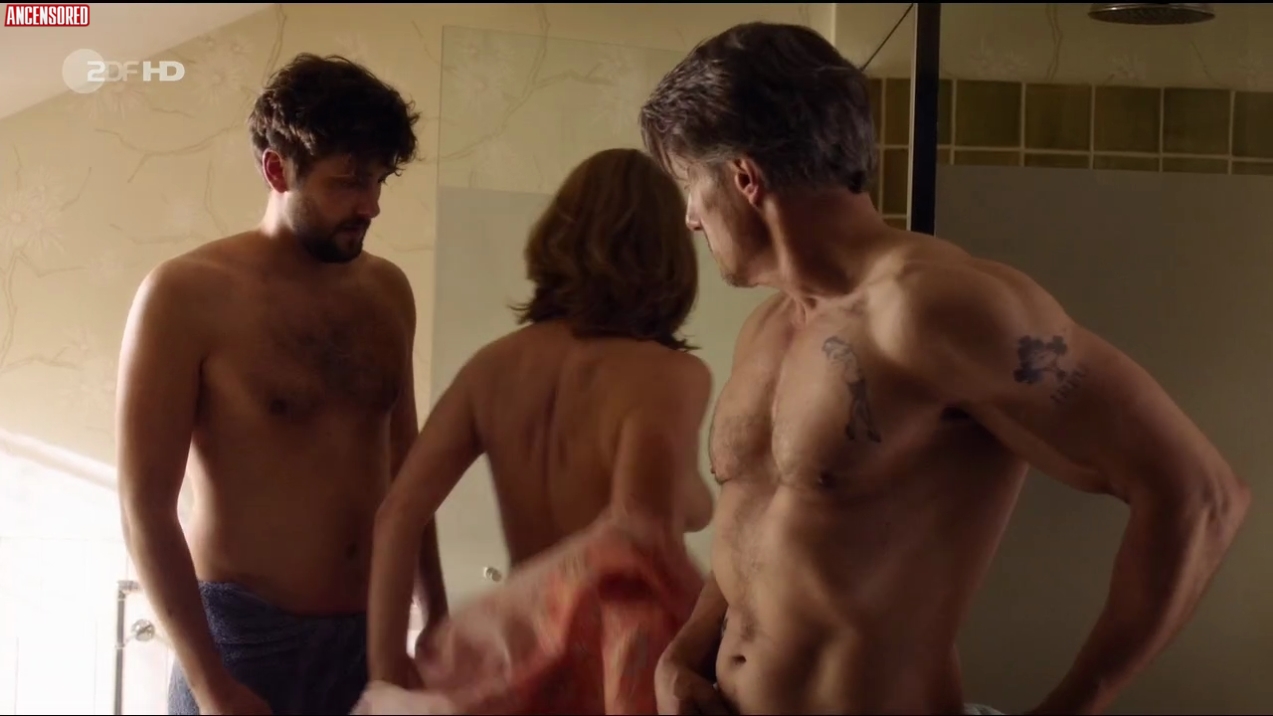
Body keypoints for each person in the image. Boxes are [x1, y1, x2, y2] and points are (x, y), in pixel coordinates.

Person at [638, 21, 1252, 716]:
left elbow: (1201, 496)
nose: (690, 219)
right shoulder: (769, 326)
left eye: (689, 186)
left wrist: (1077, 704)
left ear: (744, 178)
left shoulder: (932, 309)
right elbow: (769, 528)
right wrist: (682, 657)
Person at [115, 53, 447, 716]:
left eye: (379, 179)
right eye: (348, 181)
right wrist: (210, 686)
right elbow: (144, 507)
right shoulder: (184, 295)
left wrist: (435, 611)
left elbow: (405, 468)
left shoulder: (389, 292)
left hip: (364, 640)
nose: (371, 205)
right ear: (276, 169)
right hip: (242, 642)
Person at [356, 147, 715, 715]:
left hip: (520, 663)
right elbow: (640, 544)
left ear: (559, 235)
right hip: (611, 671)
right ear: (670, 256)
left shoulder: (491, 368)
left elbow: (397, 514)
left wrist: (386, 673)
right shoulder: (672, 375)